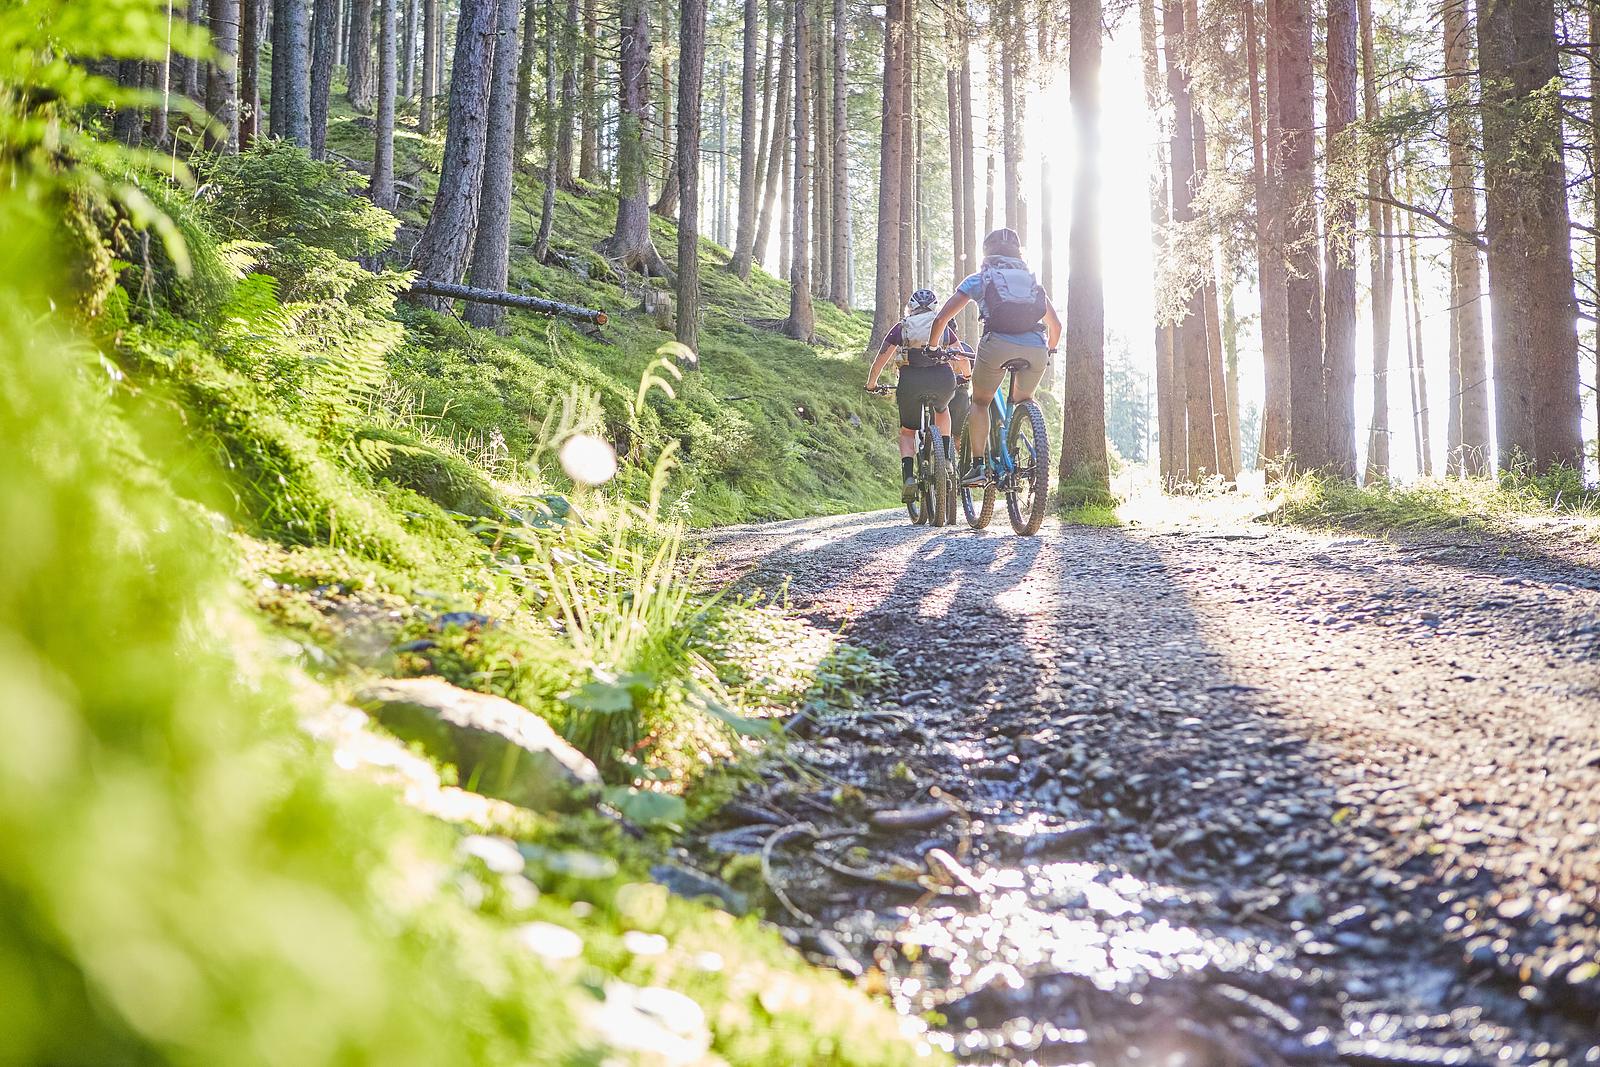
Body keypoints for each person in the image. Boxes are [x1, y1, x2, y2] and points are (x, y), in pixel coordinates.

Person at [925, 228, 1062, 486]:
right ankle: (1022, 446)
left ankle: (978, 467)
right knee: (1024, 399)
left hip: (997, 344)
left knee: (980, 402)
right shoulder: (1033, 282)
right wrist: (1050, 351)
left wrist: (933, 347)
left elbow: (943, 318)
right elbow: (1056, 326)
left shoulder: (981, 278)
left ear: (986, 253)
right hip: (1036, 346)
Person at [865, 288, 968, 502]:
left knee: (908, 431)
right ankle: (947, 460)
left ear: (910, 307)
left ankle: (909, 477)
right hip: (942, 379)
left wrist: (872, 384)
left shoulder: (901, 327)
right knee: (943, 409)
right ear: (934, 307)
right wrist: (967, 375)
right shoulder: (943, 326)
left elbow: (881, 359)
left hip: (911, 382)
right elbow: (960, 355)